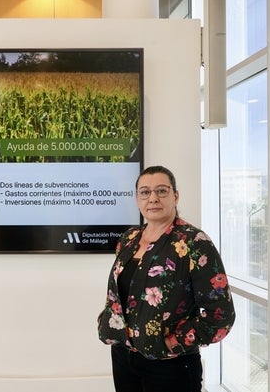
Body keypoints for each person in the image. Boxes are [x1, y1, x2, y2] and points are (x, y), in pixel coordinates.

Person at [97, 165, 236, 392]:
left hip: (170, 366)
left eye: (161, 191)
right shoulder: (129, 238)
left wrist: (173, 341)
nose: (153, 198)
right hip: (124, 356)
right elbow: (121, 293)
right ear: (137, 199)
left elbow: (221, 316)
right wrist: (107, 321)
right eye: (145, 192)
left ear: (175, 196)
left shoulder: (194, 242)